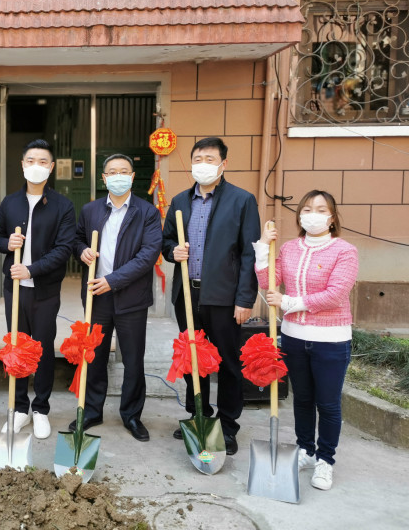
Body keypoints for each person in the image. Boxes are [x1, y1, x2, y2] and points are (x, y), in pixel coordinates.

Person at [162, 136, 260, 455]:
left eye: (210, 159)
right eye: (197, 159)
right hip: (188, 295)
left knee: (228, 363)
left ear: (223, 164)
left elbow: (249, 254)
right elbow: (166, 241)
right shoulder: (180, 201)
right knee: (193, 359)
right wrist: (172, 251)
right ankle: (199, 416)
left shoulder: (242, 200)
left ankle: (227, 426)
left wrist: (245, 299)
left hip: (224, 297)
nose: (202, 164)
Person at [256, 190, 358, 491]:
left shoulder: (345, 251)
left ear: (332, 218)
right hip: (294, 338)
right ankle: (305, 450)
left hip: (331, 340)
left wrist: (288, 302)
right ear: (300, 215)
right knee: (301, 399)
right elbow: (268, 282)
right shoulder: (289, 249)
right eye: (308, 209)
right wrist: (263, 246)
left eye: (321, 210)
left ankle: (325, 460)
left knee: (327, 403)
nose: (313, 215)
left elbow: (335, 294)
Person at [71, 154, 162, 441]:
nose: (118, 176)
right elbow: (77, 239)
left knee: (133, 359)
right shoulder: (91, 210)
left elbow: (148, 255)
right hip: (96, 295)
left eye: (124, 171)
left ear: (132, 177)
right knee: (94, 356)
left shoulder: (147, 212)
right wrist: (82, 251)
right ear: (104, 178)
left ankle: (131, 415)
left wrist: (113, 281)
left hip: (131, 297)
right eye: (112, 172)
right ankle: (91, 411)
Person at [0, 138, 76, 439]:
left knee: (42, 348)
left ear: (51, 168)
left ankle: (40, 409)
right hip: (15, 289)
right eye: (30, 161)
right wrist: (7, 243)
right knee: (16, 347)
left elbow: (64, 249)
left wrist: (31, 269)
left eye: (42, 162)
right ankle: (19, 409)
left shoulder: (63, 206)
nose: (36, 166)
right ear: (22, 165)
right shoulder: (10, 202)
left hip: (44, 290)